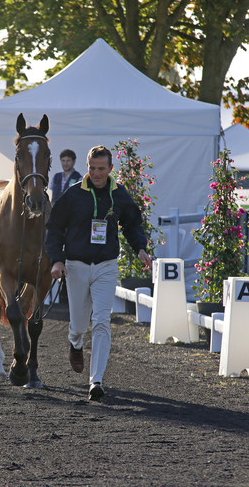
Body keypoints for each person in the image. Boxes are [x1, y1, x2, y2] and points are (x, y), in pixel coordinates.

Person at [45, 145, 149, 401]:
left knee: (102, 320)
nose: (96, 173)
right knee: (79, 325)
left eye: (101, 169)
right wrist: (57, 261)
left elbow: (132, 224)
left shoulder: (119, 195)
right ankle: (75, 342)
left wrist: (141, 250)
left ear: (111, 169)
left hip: (106, 265)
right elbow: (55, 230)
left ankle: (96, 381)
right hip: (76, 266)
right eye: (92, 168)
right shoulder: (72, 195)